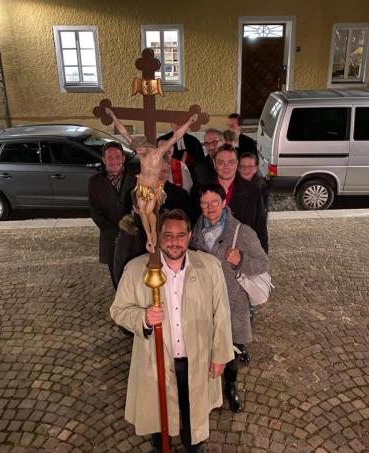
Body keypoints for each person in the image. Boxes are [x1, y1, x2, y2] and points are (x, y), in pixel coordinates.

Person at [110, 209, 234, 453]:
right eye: (167, 235)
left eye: (180, 235)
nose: (174, 241)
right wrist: (143, 317)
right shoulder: (137, 270)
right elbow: (118, 310)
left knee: (193, 412)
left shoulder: (209, 267)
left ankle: (193, 446)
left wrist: (220, 355)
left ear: (189, 236)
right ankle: (161, 445)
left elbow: (221, 315)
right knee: (160, 412)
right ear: (158, 237)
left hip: (196, 358)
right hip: (155, 360)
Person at [190, 184, 268, 413]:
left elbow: (263, 263)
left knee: (231, 348)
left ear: (224, 202)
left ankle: (231, 387)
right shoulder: (196, 229)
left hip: (233, 303)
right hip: (204, 302)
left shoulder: (241, 231)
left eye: (214, 202)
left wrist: (241, 259)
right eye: (205, 203)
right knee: (207, 347)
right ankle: (210, 390)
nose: (210, 207)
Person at [107, 108, 198, 253]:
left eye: (139, 149)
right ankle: (150, 239)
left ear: (144, 145)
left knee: (152, 216)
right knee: (143, 212)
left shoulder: (158, 153)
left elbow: (175, 137)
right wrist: (113, 117)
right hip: (142, 188)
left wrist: (189, 122)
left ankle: (153, 237)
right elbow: (124, 133)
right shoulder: (141, 153)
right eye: (136, 149)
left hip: (155, 189)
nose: (137, 152)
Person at [88, 141, 136, 288]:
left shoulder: (135, 179)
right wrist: (115, 234)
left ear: (123, 158)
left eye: (117, 156)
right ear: (103, 160)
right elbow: (96, 213)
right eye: (109, 157)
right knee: (117, 279)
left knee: (135, 278)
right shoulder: (95, 182)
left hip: (134, 239)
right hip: (111, 241)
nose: (113, 160)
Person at [213, 145, 269, 253]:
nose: (226, 167)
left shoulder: (254, 190)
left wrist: (262, 260)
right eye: (221, 162)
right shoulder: (200, 191)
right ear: (214, 164)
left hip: (244, 258)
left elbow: (260, 228)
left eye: (231, 162)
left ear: (237, 164)